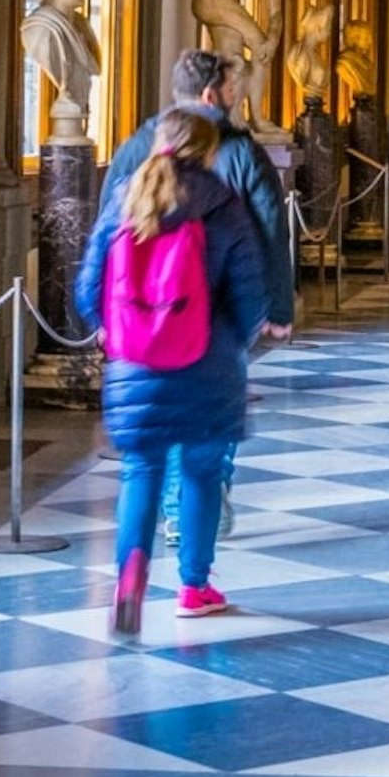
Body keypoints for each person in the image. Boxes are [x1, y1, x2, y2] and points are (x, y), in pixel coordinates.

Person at [78, 108, 275, 633]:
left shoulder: (125, 196)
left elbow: (86, 289)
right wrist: (233, 338)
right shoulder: (223, 205)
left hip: (134, 364)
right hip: (207, 363)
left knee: (141, 473)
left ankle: (129, 578)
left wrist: (116, 328)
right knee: (202, 473)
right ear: (209, 152)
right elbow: (252, 294)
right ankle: (193, 586)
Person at [90, 48, 296, 341]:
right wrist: (277, 307)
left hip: (137, 315)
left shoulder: (135, 146)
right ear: (209, 96)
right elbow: (271, 229)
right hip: (213, 315)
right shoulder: (243, 152)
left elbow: (104, 233)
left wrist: (102, 315)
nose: (235, 96)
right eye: (230, 89)